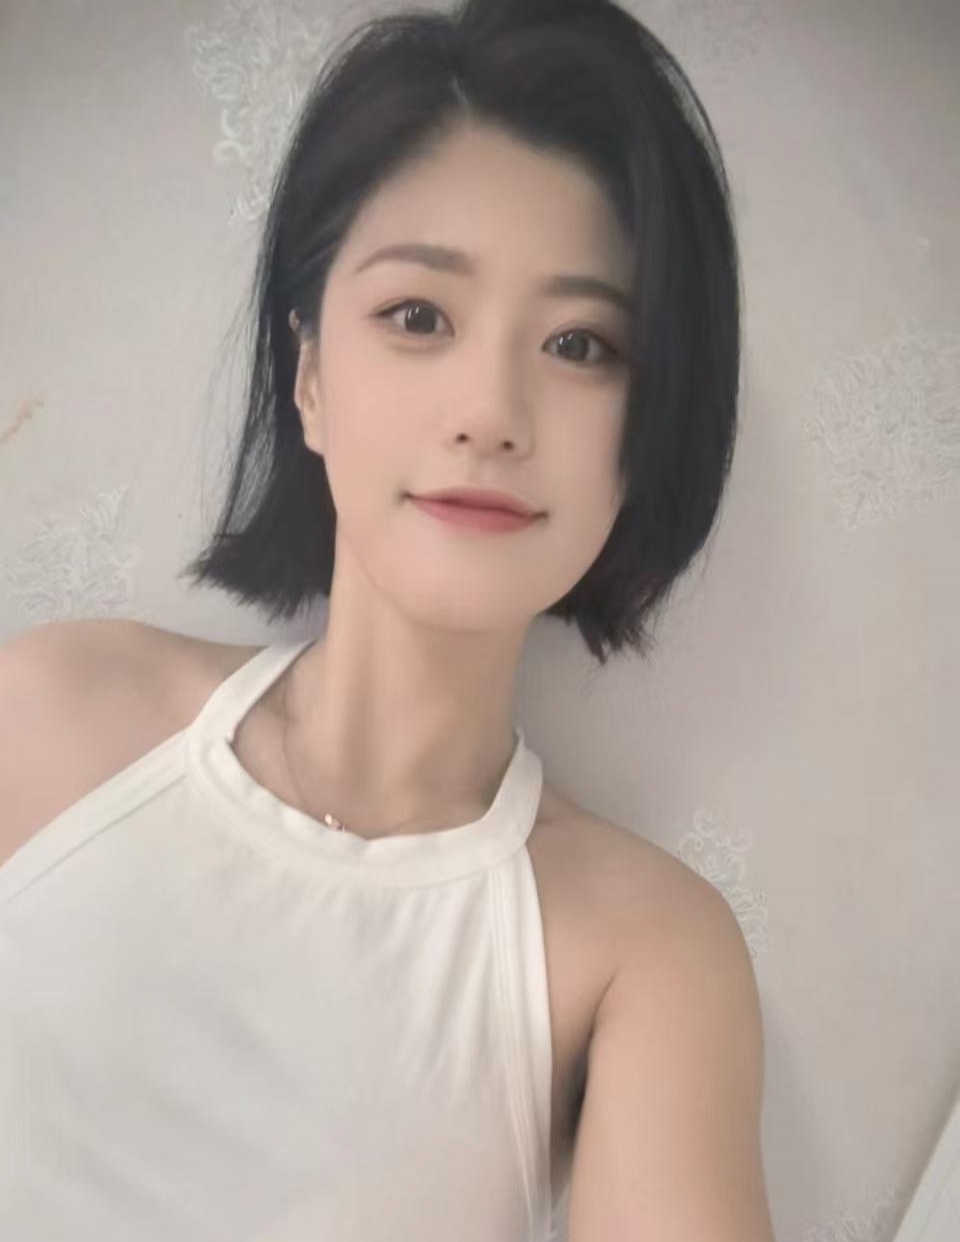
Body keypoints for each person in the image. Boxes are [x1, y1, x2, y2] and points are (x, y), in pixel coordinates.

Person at [0, 0, 775, 1238]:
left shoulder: (642, 953)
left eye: (581, 344)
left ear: (649, 428)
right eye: (420, 316)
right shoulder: (49, 715)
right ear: (309, 374)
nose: (491, 412)